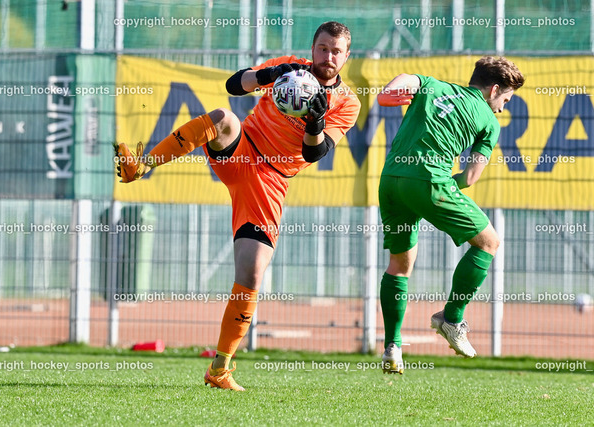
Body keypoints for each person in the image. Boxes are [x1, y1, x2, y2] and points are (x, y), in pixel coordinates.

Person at [115, 21, 361, 390]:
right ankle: (140, 166)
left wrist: (315, 119)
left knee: (251, 274)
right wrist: (270, 73)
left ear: (346, 56)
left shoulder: (349, 102)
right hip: (242, 150)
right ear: (313, 49)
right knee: (223, 117)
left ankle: (219, 369)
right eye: (323, 48)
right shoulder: (290, 68)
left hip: (271, 181)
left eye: (336, 51)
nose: (328, 57)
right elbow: (235, 85)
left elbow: (315, 151)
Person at [376, 57, 525, 374]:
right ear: (494, 89)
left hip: (390, 181)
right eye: (506, 99)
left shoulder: (433, 85)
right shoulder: (489, 121)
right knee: (488, 243)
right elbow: (470, 178)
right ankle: (452, 318)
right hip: (429, 182)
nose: (502, 108)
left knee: (399, 265)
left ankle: (392, 346)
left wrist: (388, 94)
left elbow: (404, 80)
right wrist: (441, 187)